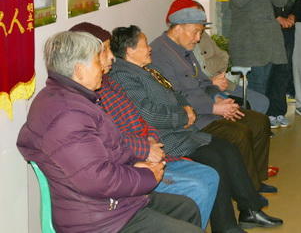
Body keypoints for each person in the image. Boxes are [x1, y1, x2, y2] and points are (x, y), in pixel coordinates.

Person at [17, 31, 205, 233]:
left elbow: (107, 151)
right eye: (97, 61)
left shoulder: (73, 99)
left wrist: (135, 164)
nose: (103, 67)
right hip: (98, 219)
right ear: (79, 70)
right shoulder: (67, 114)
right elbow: (97, 179)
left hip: (109, 202)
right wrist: (146, 176)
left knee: (186, 208)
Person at [109, 25, 283, 232]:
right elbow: (149, 114)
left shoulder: (147, 69)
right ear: (130, 50)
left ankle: (250, 210)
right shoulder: (124, 76)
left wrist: (188, 109)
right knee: (215, 160)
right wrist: (184, 115)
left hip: (181, 131)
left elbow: (174, 93)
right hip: (165, 139)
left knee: (229, 149)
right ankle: (226, 226)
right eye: (145, 44)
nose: (150, 48)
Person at [69, 22, 219, 229]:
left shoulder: (108, 83)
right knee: (197, 186)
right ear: (82, 61)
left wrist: (151, 139)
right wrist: (145, 149)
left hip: (147, 150)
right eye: (104, 51)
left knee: (210, 174)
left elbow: (142, 119)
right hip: (129, 168)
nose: (112, 57)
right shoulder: (87, 98)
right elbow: (109, 142)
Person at [149, 0, 273, 194]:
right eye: (195, 32)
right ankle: (247, 190)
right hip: (194, 118)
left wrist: (218, 98)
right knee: (239, 133)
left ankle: (255, 179)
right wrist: (214, 108)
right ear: (179, 28)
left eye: (200, 32)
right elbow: (175, 96)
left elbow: (205, 81)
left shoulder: (185, 49)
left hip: (209, 107)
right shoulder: (159, 54)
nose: (198, 38)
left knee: (259, 122)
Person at [224, 0, 289, 126]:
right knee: (258, 83)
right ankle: (257, 123)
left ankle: (269, 116)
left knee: (273, 79)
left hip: (271, 37)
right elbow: (239, 1)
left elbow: (281, 1)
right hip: (249, 39)